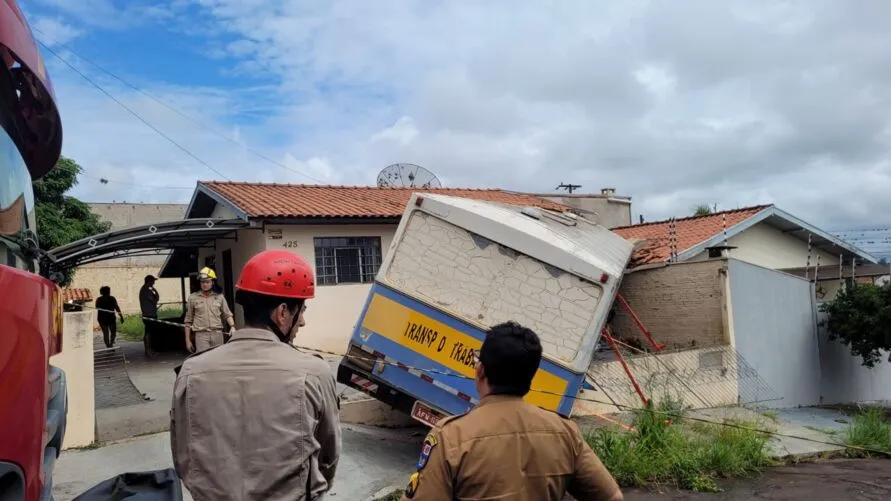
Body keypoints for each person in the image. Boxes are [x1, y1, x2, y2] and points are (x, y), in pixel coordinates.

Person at [170, 250, 341, 501]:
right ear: (282, 312)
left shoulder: (191, 371)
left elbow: (183, 457)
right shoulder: (313, 373)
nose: (302, 322)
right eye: (301, 311)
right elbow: (329, 456)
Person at [400, 321, 624, 501]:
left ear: (480, 372)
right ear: (530, 377)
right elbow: (612, 496)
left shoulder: (451, 437)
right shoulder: (565, 433)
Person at [183, 267, 235, 353]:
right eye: (202, 282)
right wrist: (187, 341)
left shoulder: (219, 297)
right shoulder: (193, 298)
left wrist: (232, 327)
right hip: (201, 335)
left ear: (212, 283)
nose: (205, 284)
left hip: (217, 333)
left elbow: (228, 314)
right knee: (203, 360)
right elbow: (188, 321)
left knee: (217, 359)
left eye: (207, 282)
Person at [139, 274, 160, 357]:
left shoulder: (148, 289)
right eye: (153, 281)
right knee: (148, 333)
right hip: (149, 315)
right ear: (149, 281)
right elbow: (154, 300)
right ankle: (148, 350)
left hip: (150, 314)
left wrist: (154, 290)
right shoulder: (146, 290)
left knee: (149, 332)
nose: (154, 283)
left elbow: (157, 298)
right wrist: (154, 292)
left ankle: (148, 350)